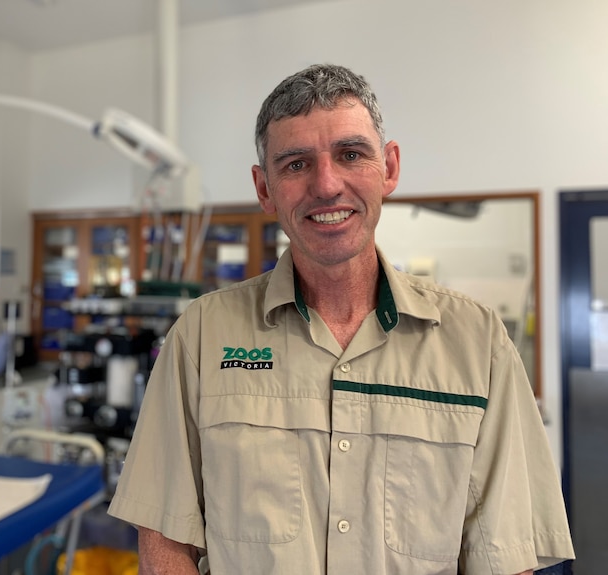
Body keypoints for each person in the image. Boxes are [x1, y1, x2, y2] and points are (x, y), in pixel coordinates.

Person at [107, 64, 575, 574]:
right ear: (264, 189)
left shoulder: (477, 342)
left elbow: (504, 557)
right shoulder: (200, 337)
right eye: (295, 165)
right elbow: (164, 541)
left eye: (351, 155)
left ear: (389, 167)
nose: (327, 185)